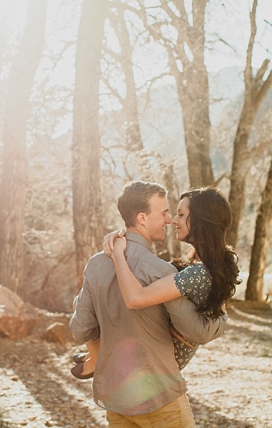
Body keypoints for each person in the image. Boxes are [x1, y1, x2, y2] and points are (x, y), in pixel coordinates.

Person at [69, 181, 227, 426]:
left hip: (117, 396)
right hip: (159, 397)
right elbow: (194, 330)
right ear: (142, 218)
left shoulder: (96, 264)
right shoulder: (162, 272)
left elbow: (80, 327)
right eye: (164, 213)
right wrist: (221, 318)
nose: (169, 220)